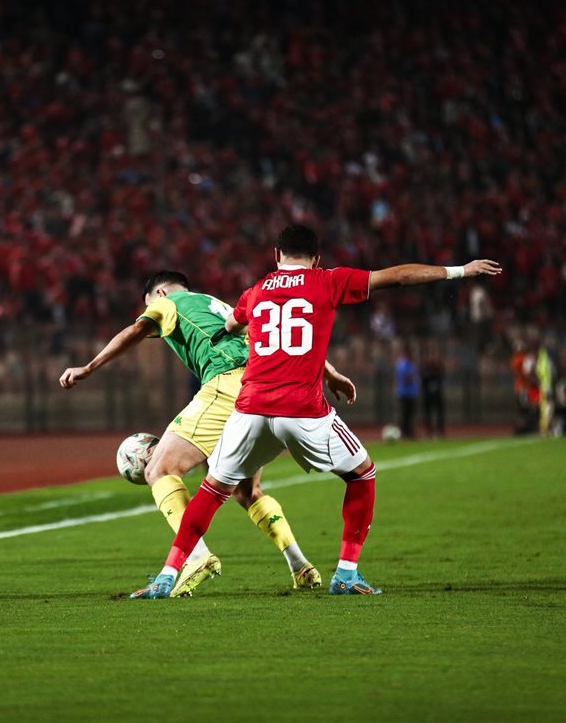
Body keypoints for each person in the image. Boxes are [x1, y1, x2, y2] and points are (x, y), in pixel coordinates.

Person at [131, 224, 501, 599]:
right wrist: (460, 271)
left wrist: (228, 329)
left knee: (212, 492)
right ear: (316, 258)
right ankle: (346, 573)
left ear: (277, 255)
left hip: (250, 409)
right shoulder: (327, 281)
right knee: (362, 474)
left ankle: (166, 576)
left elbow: (231, 324)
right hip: (301, 410)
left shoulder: (256, 291)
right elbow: (398, 277)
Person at [59, 270, 359, 595]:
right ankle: (300, 566)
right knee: (247, 491)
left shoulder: (170, 302)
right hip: (261, 390)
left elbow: (135, 330)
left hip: (227, 383)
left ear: (159, 294)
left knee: (158, 470)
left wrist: (88, 367)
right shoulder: (223, 307)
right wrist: (330, 372)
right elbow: (281, 336)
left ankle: (196, 557)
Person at [394, 341, 420, 439]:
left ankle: (408, 431)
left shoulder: (407, 363)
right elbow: (405, 378)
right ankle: (405, 432)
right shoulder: (404, 364)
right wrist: (413, 377)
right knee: (406, 414)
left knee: (409, 414)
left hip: (410, 392)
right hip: (406, 393)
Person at [420, 342, 445, 437]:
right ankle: (429, 430)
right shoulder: (425, 366)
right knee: (427, 413)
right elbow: (422, 379)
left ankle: (440, 430)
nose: (432, 357)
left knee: (439, 412)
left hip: (437, 393)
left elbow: (441, 377)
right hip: (427, 394)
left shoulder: (438, 366)